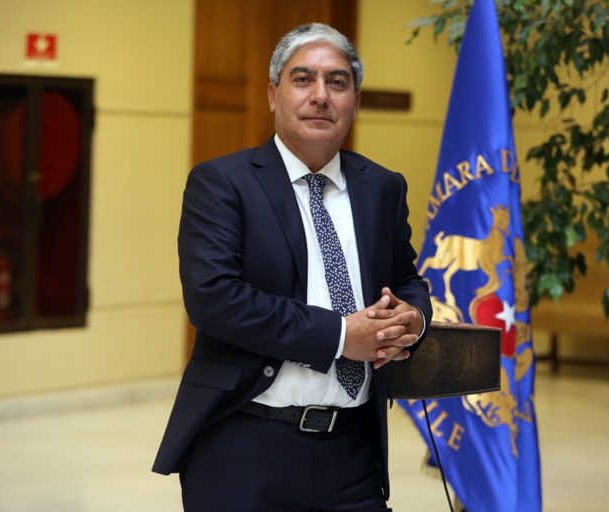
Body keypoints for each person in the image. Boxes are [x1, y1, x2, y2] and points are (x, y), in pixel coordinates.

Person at [152, 22, 432, 512]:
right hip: (244, 446)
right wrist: (341, 337)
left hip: (354, 452)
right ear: (272, 95)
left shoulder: (383, 187)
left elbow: (405, 277)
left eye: (337, 82)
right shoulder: (223, 183)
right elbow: (214, 299)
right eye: (303, 79)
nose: (320, 95)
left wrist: (413, 317)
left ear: (355, 101)